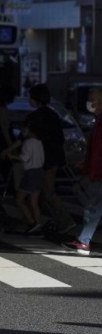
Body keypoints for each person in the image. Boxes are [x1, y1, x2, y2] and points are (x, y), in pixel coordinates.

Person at [4, 84, 74, 233]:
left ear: (36, 99)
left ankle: (64, 221)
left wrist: (9, 151)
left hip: (39, 161)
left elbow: (22, 137)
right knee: (41, 191)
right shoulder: (53, 115)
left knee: (43, 192)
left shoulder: (35, 118)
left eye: (31, 97)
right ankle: (38, 221)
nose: (29, 99)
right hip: (53, 159)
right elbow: (60, 139)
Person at [63, 87, 102, 256]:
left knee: (92, 207)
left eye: (91, 98)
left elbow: (98, 152)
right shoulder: (98, 121)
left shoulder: (100, 123)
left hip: (98, 172)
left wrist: (90, 170)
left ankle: (84, 241)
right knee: (94, 207)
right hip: (96, 170)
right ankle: (83, 240)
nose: (88, 102)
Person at [7, 121, 45, 234]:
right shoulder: (39, 142)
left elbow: (24, 158)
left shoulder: (28, 142)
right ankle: (38, 226)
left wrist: (12, 156)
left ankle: (31, 222)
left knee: (19, 199)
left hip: (31, 173)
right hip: (39, 172)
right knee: (34, 201)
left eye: (24, 129)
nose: (22, 132)